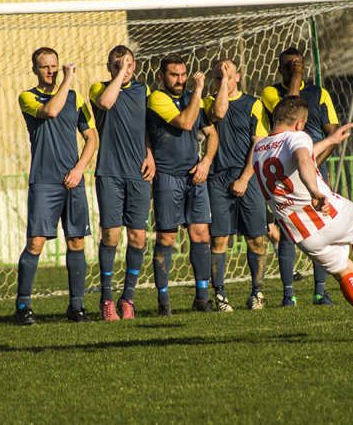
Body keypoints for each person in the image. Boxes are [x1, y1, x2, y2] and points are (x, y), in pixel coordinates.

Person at [252, 96, 353, 341]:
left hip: (305, 237)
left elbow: (295, 157)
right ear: (299, 124)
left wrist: (329, 141)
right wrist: (313, 191)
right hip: (327, 214)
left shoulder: (258, 149)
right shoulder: (298, 137)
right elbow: (303, 159)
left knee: (345, 271)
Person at [15, 47, 97, 325]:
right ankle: (23, 306)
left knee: (76, 241)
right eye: (45, 67)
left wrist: (79, 169)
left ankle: (76, 306)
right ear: (35, 69)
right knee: (36, 242)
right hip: (44, 182)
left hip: (73, 180)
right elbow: (51, 111)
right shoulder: (28, 97)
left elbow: (92, 137)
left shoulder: (76, 98)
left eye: (54, 66)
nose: (51, 70)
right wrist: (68, 80)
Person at [262, 47, 339, 307]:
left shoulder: (319, 93)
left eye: (297, 66)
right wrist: (294, 78)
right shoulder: (271, 93)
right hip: (283, 173)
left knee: (322, 227)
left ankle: (320, 292)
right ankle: (288, 295)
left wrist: (311, 163)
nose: (292, 69)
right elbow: (291, 109)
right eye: (287, 67)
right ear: (279, 69)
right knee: (287, 231)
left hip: (314, 167)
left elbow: (332, 132)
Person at [147, 54, 219, 316]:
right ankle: (164, 302)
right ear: (162, 76)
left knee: (201, 235)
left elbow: (211, 133)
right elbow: (186, 122)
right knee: (166, 238)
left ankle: (202, 298)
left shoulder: (192, 97)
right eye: (174, 75)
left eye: (183, 74)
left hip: (195, 176)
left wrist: (206, 162)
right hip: (167, 177)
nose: (180, 80)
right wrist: (198, 90)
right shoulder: (157, 98)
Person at [89, 45, 155, 321]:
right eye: (116, 65)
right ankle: (106, 299)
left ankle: (128, 298)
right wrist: (119, 74)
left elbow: (147, 126)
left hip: (138, 173)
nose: (122, 70)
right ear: (109, 67)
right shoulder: (98, 88)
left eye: (128, 66)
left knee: (138, 236)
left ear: (135, 66)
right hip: (109, 172)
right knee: (111, 236)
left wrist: (150, 153)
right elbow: (106, 103)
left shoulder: (144, 91)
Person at [203, 59, 270, 311]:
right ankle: (220, 297)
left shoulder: (254, 104)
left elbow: (259, 144)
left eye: (228, 76)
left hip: (248, 177)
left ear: (239, 77)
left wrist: (244, 177)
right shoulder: (208, 102)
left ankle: (257, 294)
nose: (224, 81)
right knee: (219, 240)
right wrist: (222, 82)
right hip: (218, 179)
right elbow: (218, 113)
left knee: (256, 238)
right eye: (218, 77)